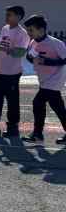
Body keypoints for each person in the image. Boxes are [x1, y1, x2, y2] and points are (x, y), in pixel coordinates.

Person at [0, 5, 29, 138]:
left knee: (12, 101)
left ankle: (13, 128)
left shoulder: (22, 33)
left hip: (13, 72)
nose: (6, 17)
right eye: (6, 14)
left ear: (18, 17)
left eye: (9, 15)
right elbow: (2, 46)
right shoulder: (5, 28)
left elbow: (20, 52)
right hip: (0, 70)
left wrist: (2, 49)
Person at [22, 14, 66, 144]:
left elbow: (64, 60)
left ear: (41, 30)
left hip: (55, 80)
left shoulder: (56, 43)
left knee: (38, 102)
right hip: (44, 80)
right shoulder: (33, 42)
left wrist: (46, 61)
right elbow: (30, 57)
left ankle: (37, 135)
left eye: (31, 30)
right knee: (57, 107)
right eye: (28, 30)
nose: (28, 33)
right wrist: (32, 59)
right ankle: (37, 135)